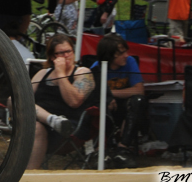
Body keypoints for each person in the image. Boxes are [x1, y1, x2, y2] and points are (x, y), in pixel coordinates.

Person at [27, 34, 95, 169]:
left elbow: (74, 102)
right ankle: (51, 119)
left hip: (66, 127)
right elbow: (23, 98)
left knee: (36, 128)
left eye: (69, 51)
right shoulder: (42, 74)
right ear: (53, 57)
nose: (66, 56)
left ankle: (30, 174)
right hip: (34, 121)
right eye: (61, 53)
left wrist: (61, 74)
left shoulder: (82, 73)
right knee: (14, 100)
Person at [92, 34, 146, 167]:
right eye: (121, 53)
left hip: (124, 106)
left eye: (126, 51)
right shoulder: (96, 68)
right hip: (105, 110)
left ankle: (123, 148)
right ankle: (99, 150)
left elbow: (139, 90)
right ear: (109, 56)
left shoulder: (130, 62)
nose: (126, 55)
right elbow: (91, 95)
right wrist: (106, 98)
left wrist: (110, 94)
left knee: (139, 101)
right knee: (96, 105)